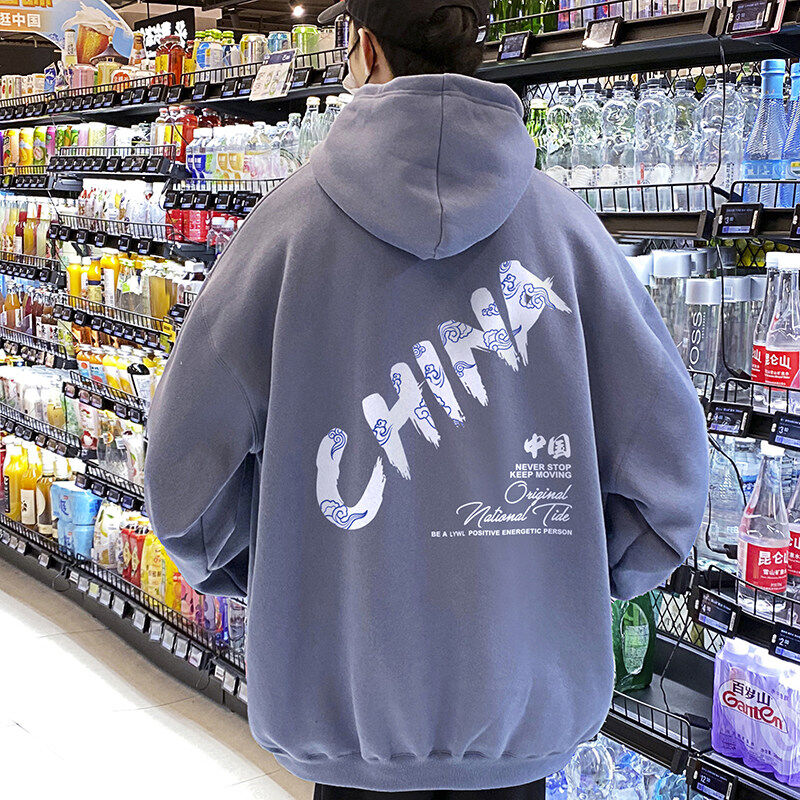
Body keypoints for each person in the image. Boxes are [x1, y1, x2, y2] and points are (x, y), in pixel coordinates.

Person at [144, 0, 709, 798]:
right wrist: (565, 572)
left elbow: (184, 491)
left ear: (365, 48)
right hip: (523, 715)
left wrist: (282, 565)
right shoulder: (571, 236)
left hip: (343, 717)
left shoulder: (280, 236)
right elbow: (671, 488)